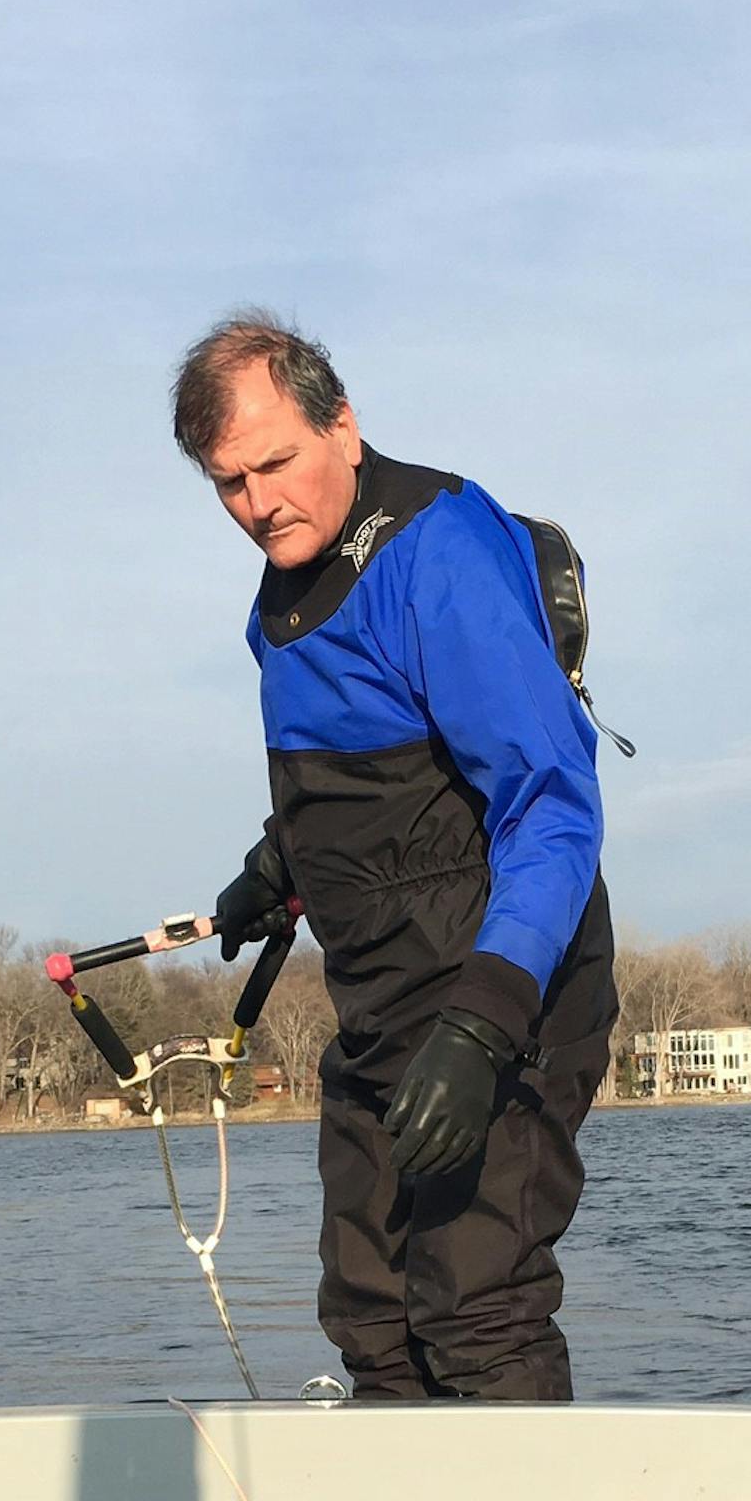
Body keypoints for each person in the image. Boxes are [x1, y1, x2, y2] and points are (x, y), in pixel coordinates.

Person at [173, 312, 617, 1402]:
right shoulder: (281, 598)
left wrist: (481, 1026)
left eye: (277, 462)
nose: (259, 502)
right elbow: (371, 780)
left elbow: (554, 806)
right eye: (230, 483)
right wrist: (278, 865)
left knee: (477, 1304)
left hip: (505, 986)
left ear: (343, 425)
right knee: (371, 1309)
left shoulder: (438, 552)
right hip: (381, 1000)